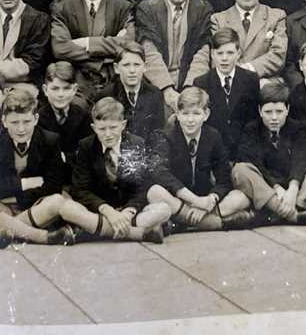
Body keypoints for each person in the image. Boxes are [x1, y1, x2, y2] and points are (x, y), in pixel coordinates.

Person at [59, 96, 171, 242]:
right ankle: (137, 233)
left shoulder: (136, 143)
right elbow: (81, 189)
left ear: (123, 125)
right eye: (102, 129)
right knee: (68, 209)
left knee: (164, 209)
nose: (107, 134)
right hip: (100, 210)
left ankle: (100, 230)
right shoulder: (86, 146)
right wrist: (107, 211)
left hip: (129, 211)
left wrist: (128, 212)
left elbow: (142, 186)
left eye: (113, 128)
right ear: (94, 128)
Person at [144, 86, 252, 231]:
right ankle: (214, 223)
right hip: (178, 199)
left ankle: (186, 221)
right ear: (177, 114)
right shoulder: (164, 136)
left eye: (196, 113)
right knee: (155, 192)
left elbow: (224, 178)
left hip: (204, 199)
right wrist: (194, 201)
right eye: (185, 114)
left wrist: (210, 201)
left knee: (240, 197)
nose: (190, 120)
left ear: (206, 114)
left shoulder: (213, 136)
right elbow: (159, 172)